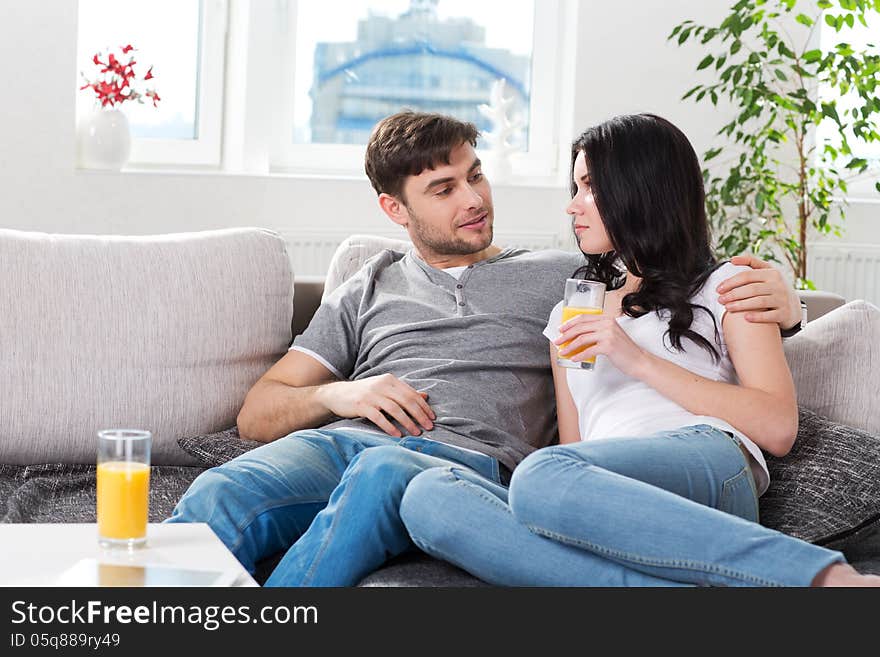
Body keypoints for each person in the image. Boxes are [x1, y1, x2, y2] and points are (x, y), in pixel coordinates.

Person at [166, 111, 807, 587]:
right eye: (444, 190)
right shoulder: (365, 288)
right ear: (395, 208)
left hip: (465, 461)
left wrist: (791, 302)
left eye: (475, 176)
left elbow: (670, 273)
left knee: (386, 476)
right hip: (344, 440)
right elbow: (258, 413)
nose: (473, 200)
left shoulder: (568, 278)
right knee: (219, 494)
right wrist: (345, 392)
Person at [399, 113, 880, 587]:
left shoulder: (729, 285)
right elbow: (577, 452)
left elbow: (777, 428)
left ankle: (826, 579)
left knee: (540, 474)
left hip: (708, 461)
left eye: (589, 187)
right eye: (575, 188)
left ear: (639, 190)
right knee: (429, 496)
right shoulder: (570, 315)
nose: (573, 207)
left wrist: (637, 359)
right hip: (607, 492)